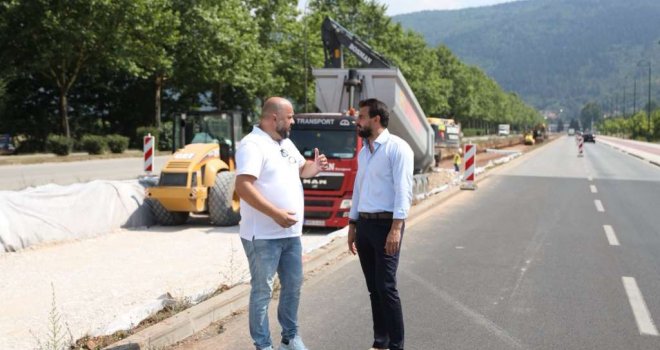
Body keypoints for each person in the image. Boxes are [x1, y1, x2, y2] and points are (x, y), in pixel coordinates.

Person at [235, 97, 328, 350]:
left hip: (291, 234)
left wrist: (315, 167)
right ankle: (263, 345)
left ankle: (290, 338)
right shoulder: (252, 145)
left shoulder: (285, 143)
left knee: (293, 286)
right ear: (273, 118)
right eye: (290, 116)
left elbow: (302, 169)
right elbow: (243, 186)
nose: (293, 121)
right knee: (262, 291)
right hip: (263, 235)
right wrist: (275, 213)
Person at [347, 98, 414, 350]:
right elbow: (358, 188)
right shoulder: (364, 151)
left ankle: (397, 345)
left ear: (376, 119)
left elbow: (403, 190)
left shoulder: (398, 148)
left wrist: (396, 228)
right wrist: (353, 225)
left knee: (386, 287)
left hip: (387, 225)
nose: (358, 121)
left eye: (362, 117)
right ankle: (381, 341)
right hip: (364, 225)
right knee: (373, 288)